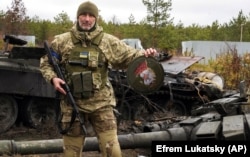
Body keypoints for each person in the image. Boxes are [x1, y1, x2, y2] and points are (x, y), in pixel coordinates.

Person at [40, 1, 157, 157]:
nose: (87, 19)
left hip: (102, 105)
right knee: (71, 154)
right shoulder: (62, 41)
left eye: (91, 15)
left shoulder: (108, 41)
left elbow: (131, 56)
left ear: (96, 18)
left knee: (113, 152)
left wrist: (145, 54)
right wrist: (53, 78)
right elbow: (46, 63)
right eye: (83, 15)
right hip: (72, 105)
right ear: (78, 17)